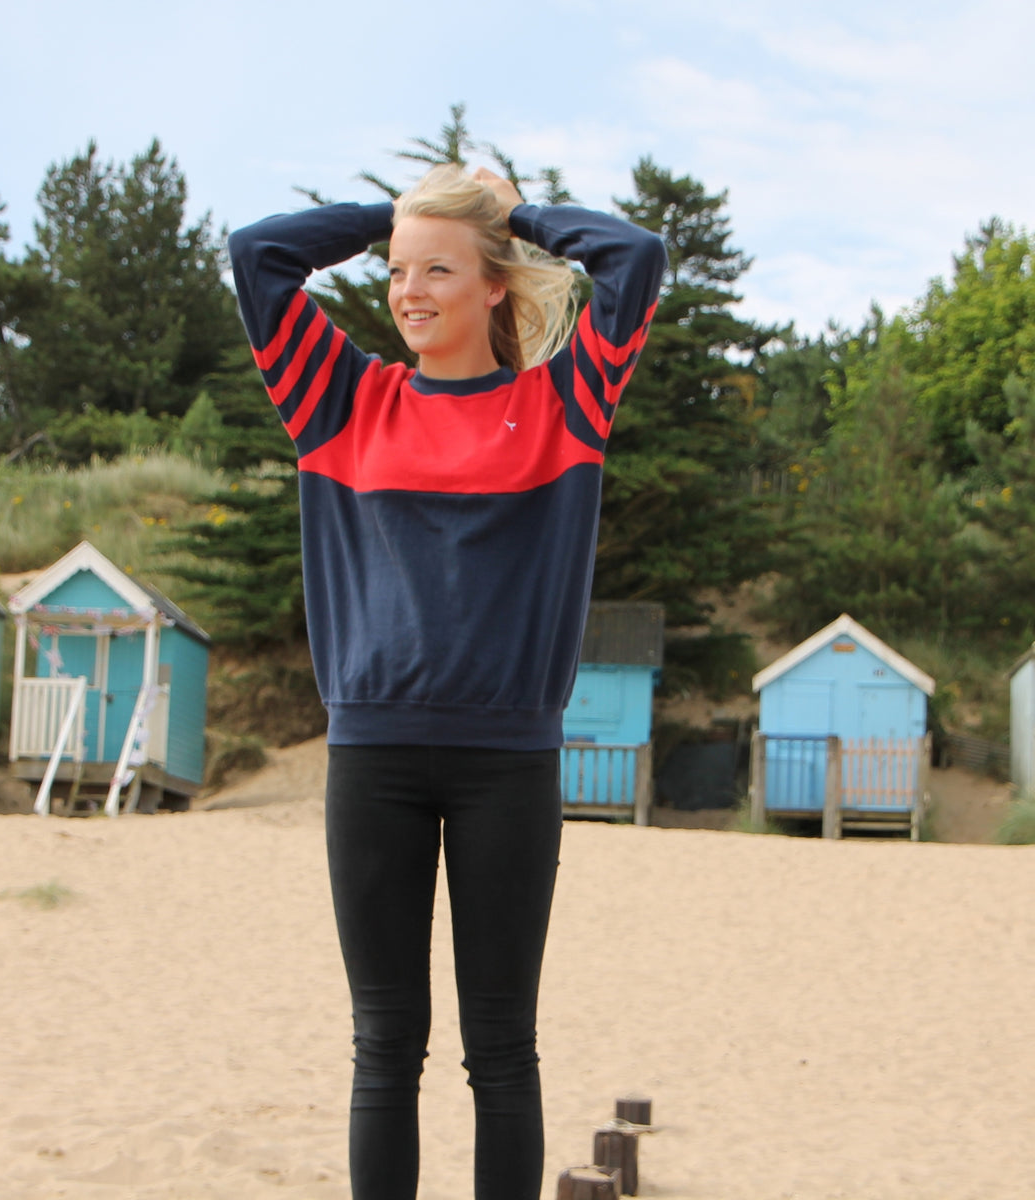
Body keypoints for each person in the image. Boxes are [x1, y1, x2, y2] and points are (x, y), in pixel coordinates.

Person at [228, 164, 667, 1200]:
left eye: (438, 270)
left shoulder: (565, 405)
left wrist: (510, 218)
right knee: (384, 1047)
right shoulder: (339, 399)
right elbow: (259, 255)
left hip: (507, 765)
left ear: (496, 285)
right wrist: (401, 218)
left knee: (501, 1050)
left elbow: (634, 259)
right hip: (370, 759)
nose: (410, 290)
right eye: (396, 271)